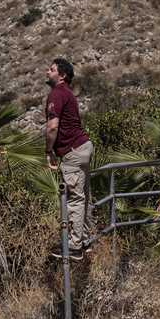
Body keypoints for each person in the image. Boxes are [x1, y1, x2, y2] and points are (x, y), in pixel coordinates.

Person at [44, 57, 93, 260]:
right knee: (83, 196)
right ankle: (85, 240)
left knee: (74, 198)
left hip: (73, 151)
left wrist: (48, 151)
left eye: (52, 69)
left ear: (62, 75)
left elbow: (52, 127)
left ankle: (74, 245)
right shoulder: (68, 93)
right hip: (82, 146)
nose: (47, 72)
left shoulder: (57, 93)